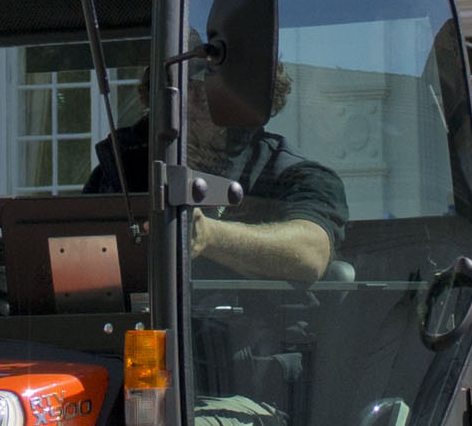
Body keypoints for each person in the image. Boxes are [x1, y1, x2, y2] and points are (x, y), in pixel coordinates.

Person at [88, 59, 349, 283]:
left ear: (244, 98)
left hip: (257, 334)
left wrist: (209, 236)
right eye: (172, 78)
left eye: (199, 76)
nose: (184, 94)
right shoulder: (118, 171)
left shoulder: (294, 175)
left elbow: (310, 253)